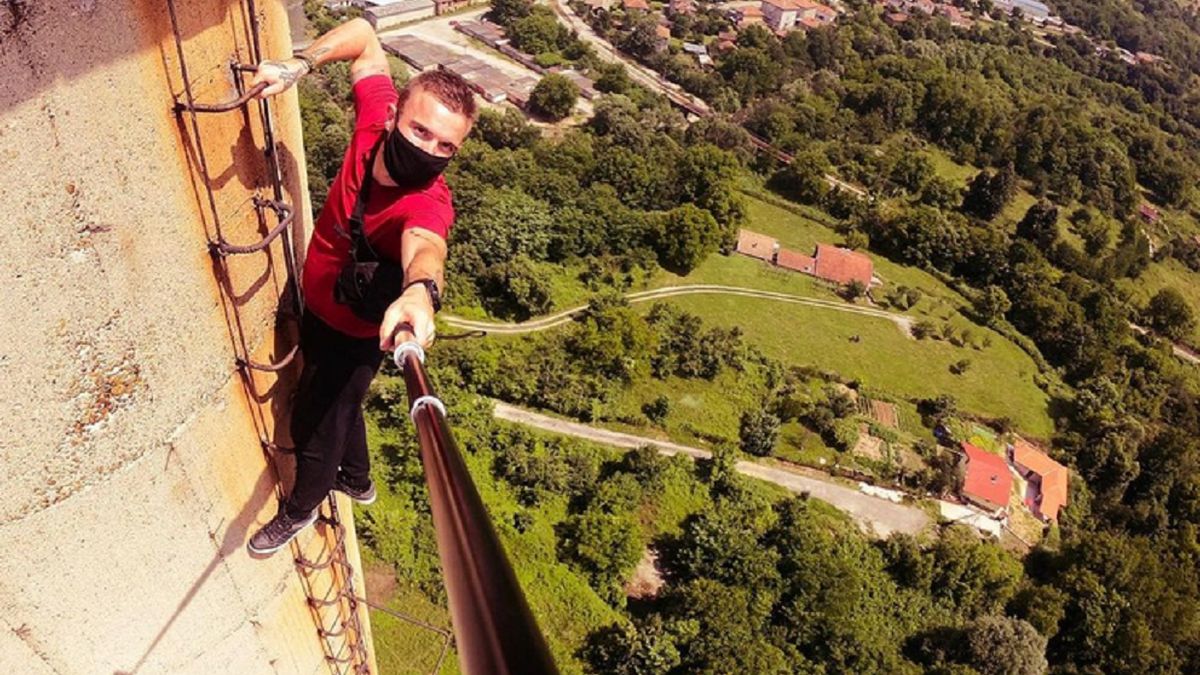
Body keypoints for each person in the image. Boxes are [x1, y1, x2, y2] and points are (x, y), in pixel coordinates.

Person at [246, 18, 476, 555]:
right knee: (344, 406)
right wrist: (297, 66)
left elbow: (426, 246)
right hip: (322, 310)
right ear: (396, 114)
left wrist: (422, 292)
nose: (429, 150)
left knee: (315, 425)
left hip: (358, 334)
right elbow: (365, 38)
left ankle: (300, 510)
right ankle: (358, 478)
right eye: (421, 131)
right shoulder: (375, 122)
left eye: (445, 146)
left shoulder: (426, 202)